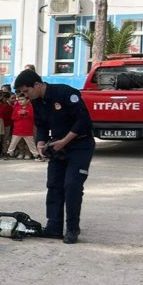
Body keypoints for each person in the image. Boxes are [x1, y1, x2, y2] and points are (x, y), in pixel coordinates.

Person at [14, 69, 95, 244]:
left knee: (72, 186)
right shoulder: (37, 101)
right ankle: (54, 226)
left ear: (37, 84)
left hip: (80, 145)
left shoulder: (65, 93)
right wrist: (41, 142)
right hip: (57, 146)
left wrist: (64, 141)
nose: (26, 96)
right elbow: (41, 124)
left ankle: (72, 228)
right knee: (54, 185)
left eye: (27, 91)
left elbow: (83, 121)